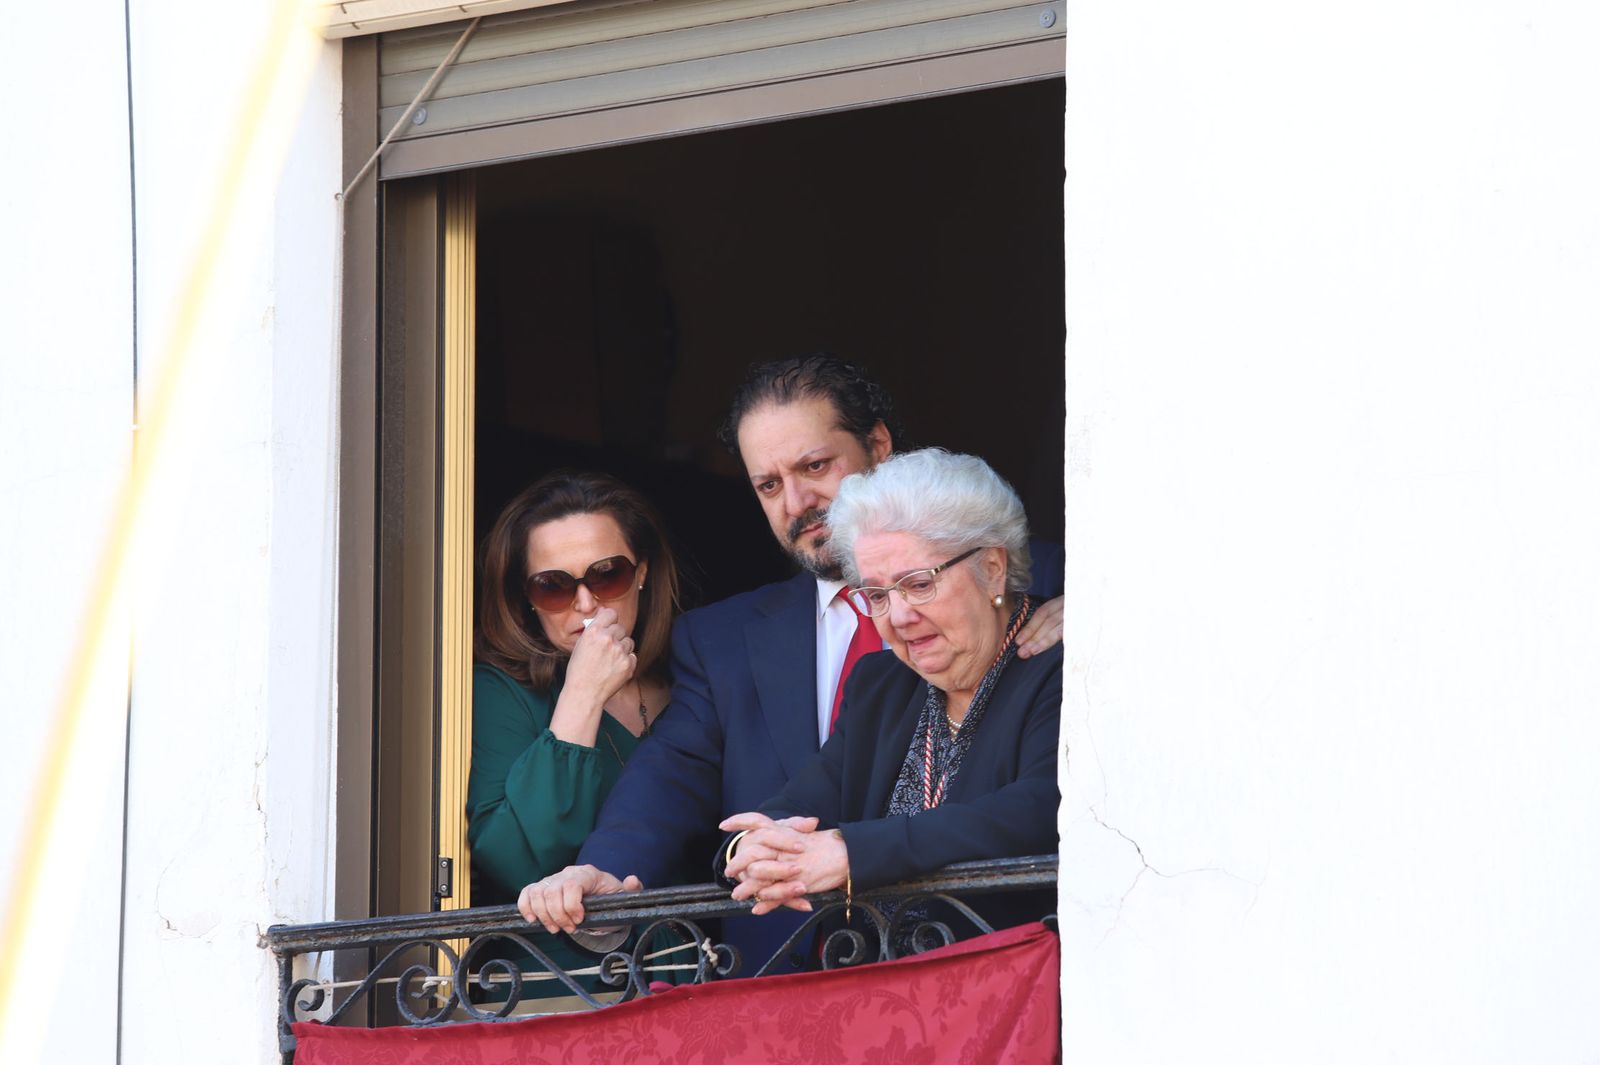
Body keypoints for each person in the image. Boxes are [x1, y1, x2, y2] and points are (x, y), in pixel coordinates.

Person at [516, 356, 1064, 972]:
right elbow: (674, 780)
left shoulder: (1065, 596)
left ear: (877, 447)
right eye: (769, 485)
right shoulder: (848, 672)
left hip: (1007, 986)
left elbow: (1055, 800)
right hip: (796, 984)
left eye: (814, 466)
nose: (798, 502)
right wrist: (722, 851)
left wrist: (1102, 619)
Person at [714, 449, 1060, 944]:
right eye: (877, 595)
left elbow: (1040, 808)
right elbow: (799, 803)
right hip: (874, 997)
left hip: (1013, 994)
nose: (896, 617)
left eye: (918, 585)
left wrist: (853, 852)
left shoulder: (1065, 669)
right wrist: (751, 847)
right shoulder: (881, 684)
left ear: (992, 568)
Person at [467, 470, 681, 993]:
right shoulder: (501, 691)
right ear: (527, 598)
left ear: (643, 573)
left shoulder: (694, 679)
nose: (585, 604)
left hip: (702, 977)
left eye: (606, 575)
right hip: (559, 995)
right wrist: (582, 695)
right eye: (554, 586)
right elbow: (517, 864)